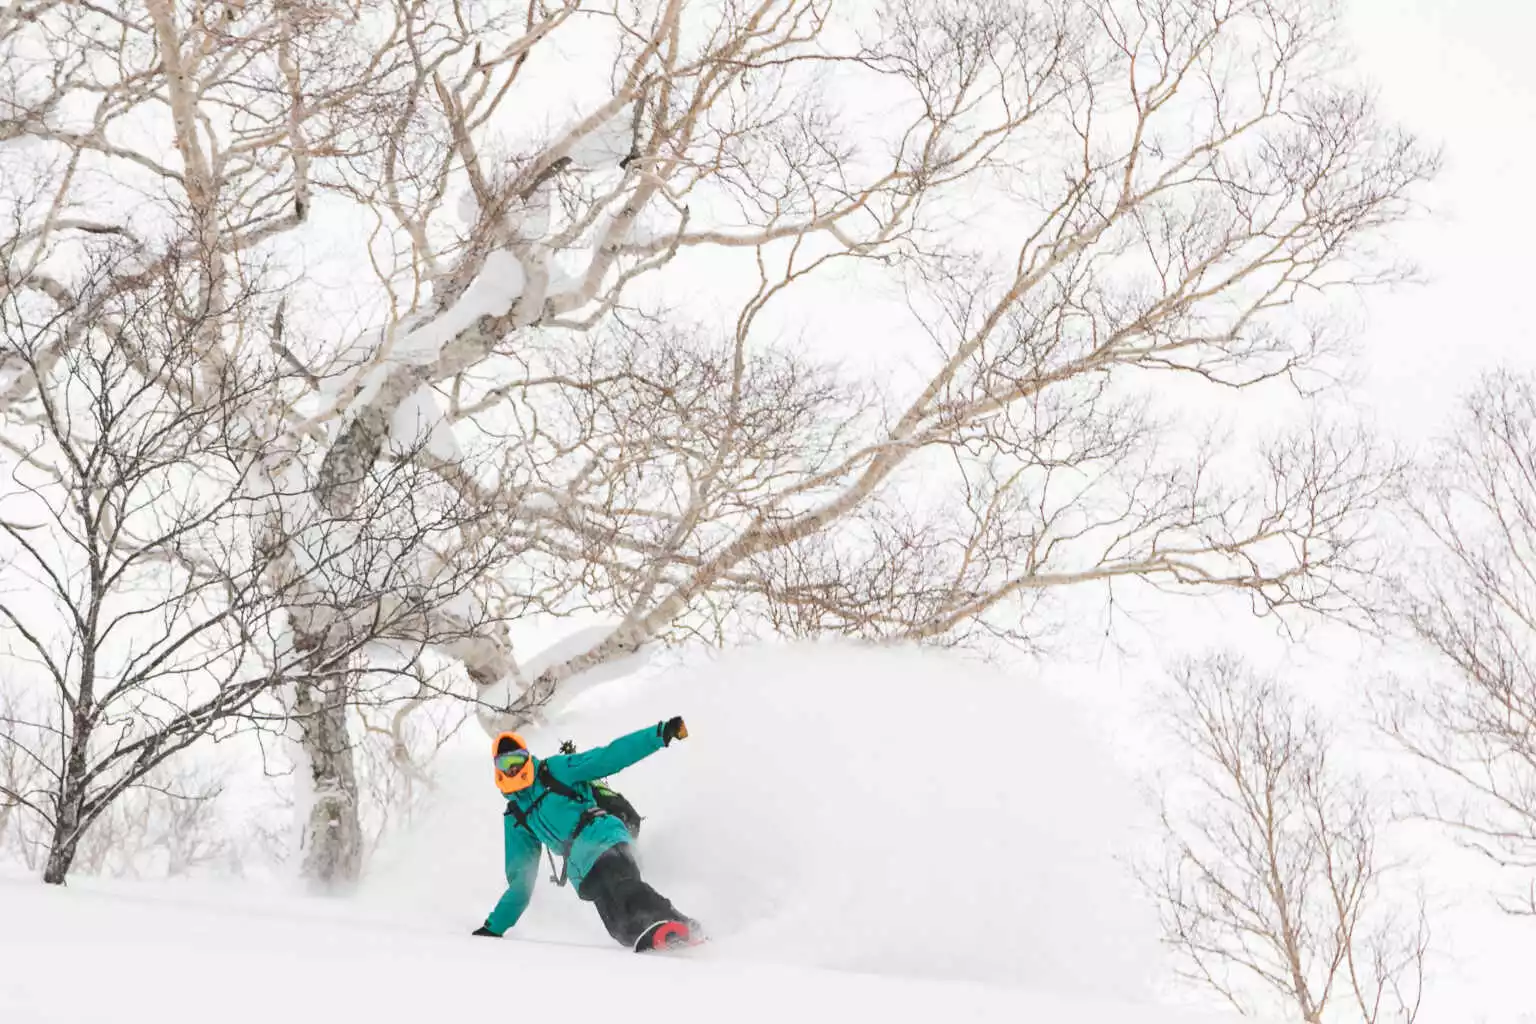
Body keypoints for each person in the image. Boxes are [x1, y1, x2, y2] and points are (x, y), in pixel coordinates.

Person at [472, 717, 701, 952]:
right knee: (619, 928)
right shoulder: (516, 816)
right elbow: (521, 880)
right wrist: (493, 928)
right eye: (505, 763)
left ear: (527, 757)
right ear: (497, 768)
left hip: (604, 837)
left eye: (517, 760)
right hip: (581, 870)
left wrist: (659, 734)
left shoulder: (556, 770)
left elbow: (608, 758)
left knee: (623, 888)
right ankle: (669, 942)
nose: (513, 769)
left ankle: (678, 926)